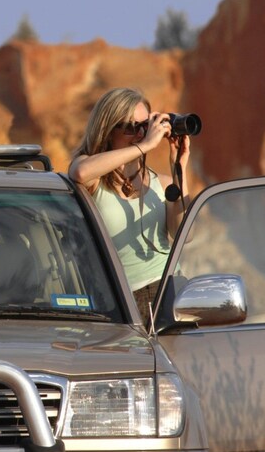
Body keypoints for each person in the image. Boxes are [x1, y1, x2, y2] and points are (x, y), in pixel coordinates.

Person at [68, 87, 191, 320]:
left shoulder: (162, 184)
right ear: (107, 131)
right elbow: (80, 171)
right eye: (130, 127)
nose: (139, 134)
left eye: (144, 126)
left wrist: (179, 169)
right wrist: (144, 146)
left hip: (169, 292)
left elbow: (185, 234)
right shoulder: (93, 179)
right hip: (120, 302)